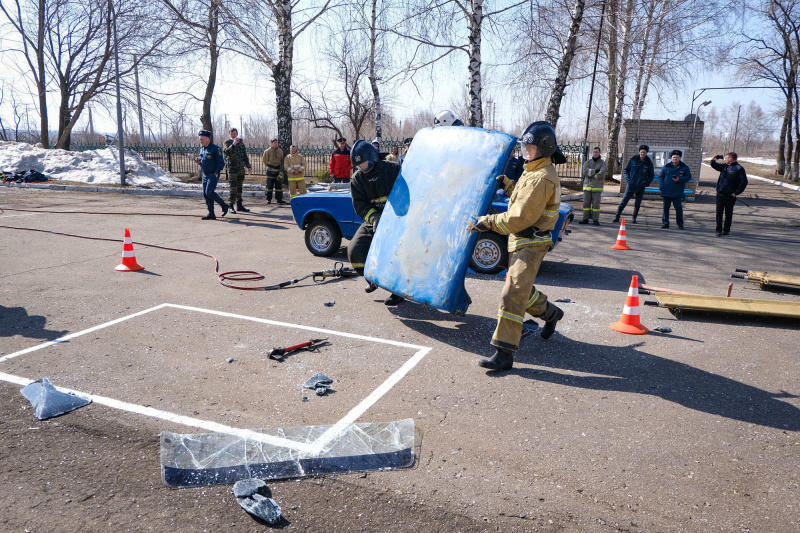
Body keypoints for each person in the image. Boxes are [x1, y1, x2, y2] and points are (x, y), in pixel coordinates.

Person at [467, 121, 566, 371]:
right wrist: (509, 186)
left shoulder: (542, 177)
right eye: (524, 146)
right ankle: (551, 314)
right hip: (521, 240)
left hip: (531, 242)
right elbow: (522, 201)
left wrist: (486, 223)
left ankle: (504, 353)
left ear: (544, 149)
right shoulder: (532, 171)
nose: (525, 151)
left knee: (512, 294)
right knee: (521, 289)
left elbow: (521, 216)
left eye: (529, 147)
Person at [347, 140, 405, 306]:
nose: (362, 167)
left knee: (393, 254)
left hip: (398, 219)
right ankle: (372, 279)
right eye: (359, 165)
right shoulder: (357, 179)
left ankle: (396, 291)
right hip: (375, 220)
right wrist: (374, 218)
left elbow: (407, 193)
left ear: (373, 157)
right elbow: (360, 205)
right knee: (355, 250)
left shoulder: (392, 169)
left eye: (364, 163)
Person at [614, 145, 654, 223]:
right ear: (639, 152)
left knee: (638, 203)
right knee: (624, 201)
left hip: (641, 186)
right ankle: (617, 216)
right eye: (641, 152)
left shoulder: (648, 162)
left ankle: (634, 218)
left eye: (644, 152)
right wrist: (628, 180)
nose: (642, 153)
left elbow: (651, 175)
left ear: (646, 153)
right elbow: (626, 170)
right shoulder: (633, 160)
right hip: (631, 185)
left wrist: (646, 183)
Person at [710, 152, 748, 236]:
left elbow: (744, 182)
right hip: (720, 193)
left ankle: (726, 229)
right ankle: (718, 230)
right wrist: (713, 160)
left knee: (728, 212)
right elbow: (715, 166)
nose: (725, 159)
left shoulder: (739, 168)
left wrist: (736, 192)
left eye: (727, 158)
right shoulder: (724, 166)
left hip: (730, 195)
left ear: (731, 159)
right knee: (719, 212)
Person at [195, 129, 229, 220]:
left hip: (213, 174)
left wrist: (217, 172)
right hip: (205, 174)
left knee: (209, 192)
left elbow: (221, 163)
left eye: (202, 139)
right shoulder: (202, 149)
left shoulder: (216, 149)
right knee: (206, 194)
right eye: (199, 139)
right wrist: (199, 162)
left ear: (207, 138)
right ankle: (211, 213)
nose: (200, 141)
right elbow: (203, 161)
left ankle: (224, 205)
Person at [657, 149, 692, 229]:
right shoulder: (666, 167)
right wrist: (661, 187)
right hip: (666, 191)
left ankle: (680, 224)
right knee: (666, 208)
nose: (675, 159)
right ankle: (665, 223)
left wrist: (679, 179)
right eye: (673, 157)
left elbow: (688, 177)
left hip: (677, 192)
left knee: (678, 208)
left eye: (676, 157)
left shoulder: (684, 167)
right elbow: (660, 177)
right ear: (671, 158)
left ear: (680, 158)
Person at [222, 128, 252, 213]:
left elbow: (245, 156)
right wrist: (233, 144)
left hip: (241, 169)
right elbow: (226, 152)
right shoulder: (227, 143)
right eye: (232, 133)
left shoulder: (241, 143)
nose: (233, 135)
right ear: (229, 134)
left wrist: (249, 166)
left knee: (239, 187)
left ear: (237, 134)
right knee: (233, 188)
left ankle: (239, 205)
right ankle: (230, 205)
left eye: (235, 133)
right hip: (232, 169)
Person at [578, 147, 607, 225]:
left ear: (599, 153)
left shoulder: (603, 163)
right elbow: (585, 171)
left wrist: (590, 174)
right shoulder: (588, 162)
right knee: (586, 204)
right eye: (594, 152)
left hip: (597, 188)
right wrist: (595, 171)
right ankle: (585, 219)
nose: (595, 153)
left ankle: (595, 220)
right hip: (587, 187)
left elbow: (601, 174)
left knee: (596, 204)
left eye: (596, 152)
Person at [262, 138, 285, 204]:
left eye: (276, 142)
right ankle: (268, 199)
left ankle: (279, 199)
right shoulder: (267, 151)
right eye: (274, 142)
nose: (276, 144)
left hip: (278, 170)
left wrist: (281, 170)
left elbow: (282, 159)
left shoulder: (280, 151)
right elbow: (265, 160)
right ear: (271, 143)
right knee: (269, 185)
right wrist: (270, 166)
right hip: (270, 170)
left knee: (279, 186)